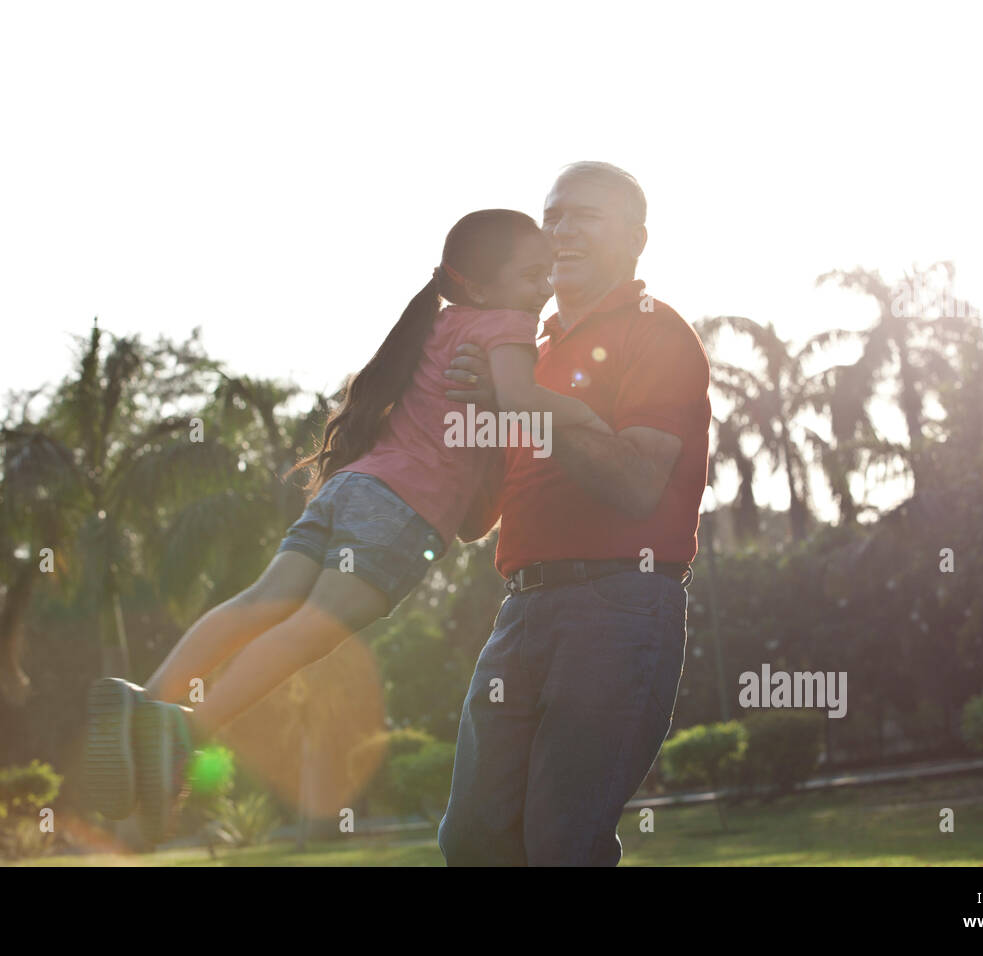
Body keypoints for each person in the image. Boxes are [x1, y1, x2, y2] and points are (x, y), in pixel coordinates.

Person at [84, 209, 612, 845]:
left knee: (263, 602)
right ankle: (184, 732)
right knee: (312, 629)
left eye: (546, 273)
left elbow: (477, 504)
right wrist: (586, 416)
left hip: (351, 489)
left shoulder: (443, 323)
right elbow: (525, 402)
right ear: (479, 285)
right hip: (400, 510)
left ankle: (147, 699)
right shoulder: (510, 323)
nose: (544, 287)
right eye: (531, 275)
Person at [436, 162, 712, 866]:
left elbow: (635, 485)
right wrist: (461, 418)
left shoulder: (660, 335)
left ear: (636, 239)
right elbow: (475, 521)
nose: (559, 231)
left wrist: (524, 403)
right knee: (472, 840)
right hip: (521, 608)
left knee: (561, 845)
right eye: (552, 216)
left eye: (583, 216)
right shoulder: (528, 351)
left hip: (619, 603)